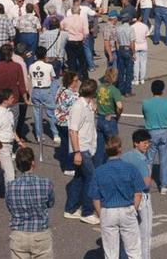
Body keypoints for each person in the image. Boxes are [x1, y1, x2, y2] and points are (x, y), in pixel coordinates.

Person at [87, 134, 145, 259]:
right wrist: (133, 209)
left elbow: (95, 197)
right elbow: (138, 192)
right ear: (120, 149)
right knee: (134, 251)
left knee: (111, 253)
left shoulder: (99, 171)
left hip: (108, 211)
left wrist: (100, 213)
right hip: (127, 208)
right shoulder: (130, 168)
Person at [6, 146, 55, 259]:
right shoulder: (45, 183)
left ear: (17, 165)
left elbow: (9, 206)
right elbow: (51, 203)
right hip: (40, 233)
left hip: (18, 235)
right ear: (33, 162)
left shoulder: (10, 186)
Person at [64, 77, 100, 225]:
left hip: (87, 147)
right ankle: (87, 211)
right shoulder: (78, 107)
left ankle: (70, 209)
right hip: (81, 148)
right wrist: (77, 152)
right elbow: (73, 131)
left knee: (79, 179)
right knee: (91, 178)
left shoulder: (88, 104)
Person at [120, 130, 154, 259]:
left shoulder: (125, 156)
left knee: (127, 232)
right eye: (144, 143)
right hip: (142, 197)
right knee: (145, 233)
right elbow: (146, 184)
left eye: (148, 143)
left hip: (126, 197)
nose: (147, 145)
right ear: (136, 143)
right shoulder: (141, 159)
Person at [141, 79, 167, 194]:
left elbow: (144, 115)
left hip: (151, 132)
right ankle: (164, 186)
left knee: (149, 159)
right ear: (162, 91)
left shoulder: (146, 103)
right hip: (164, 131)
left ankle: (146, 185)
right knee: (163, 159)